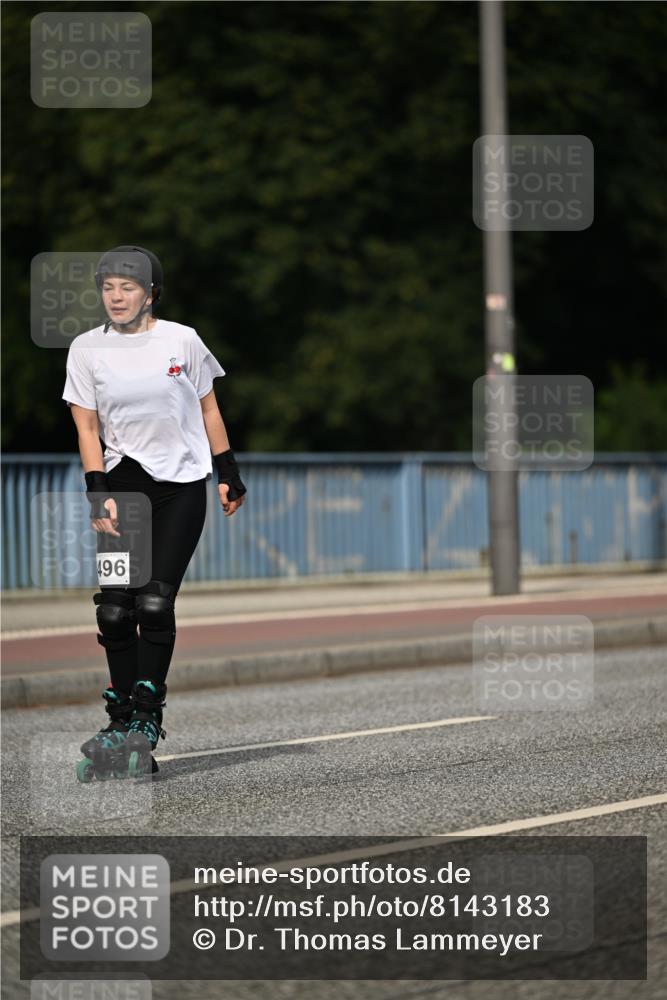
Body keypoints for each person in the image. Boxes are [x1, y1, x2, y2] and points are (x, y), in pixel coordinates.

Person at [62, 245, 246, 780]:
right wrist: (98, 490)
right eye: (108, 288)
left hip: (182, 485)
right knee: (115, 610)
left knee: (155, 602)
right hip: (121, 486)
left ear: (150, 293)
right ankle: (120, 721)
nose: (116, 297)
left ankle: (146, 716)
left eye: (128, 288)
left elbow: (209, 407)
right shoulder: (85, 349)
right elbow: (86, 427)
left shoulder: (181, 340)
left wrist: (228, 470)